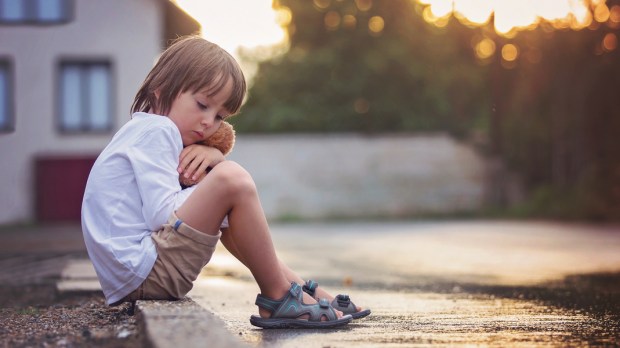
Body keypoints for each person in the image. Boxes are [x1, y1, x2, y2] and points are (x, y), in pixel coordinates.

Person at [81, 35, 369, 329]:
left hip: (137, 276)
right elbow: (160, 214)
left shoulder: (146, 131)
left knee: (228, 196)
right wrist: (215, 177)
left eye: (220, 116)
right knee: (233, 178)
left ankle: (298, 288)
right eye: (202, 104)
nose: (209, 122)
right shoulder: (158, 131)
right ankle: (280, 296)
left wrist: (211, 170)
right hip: (144, 270)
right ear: (160, 90)